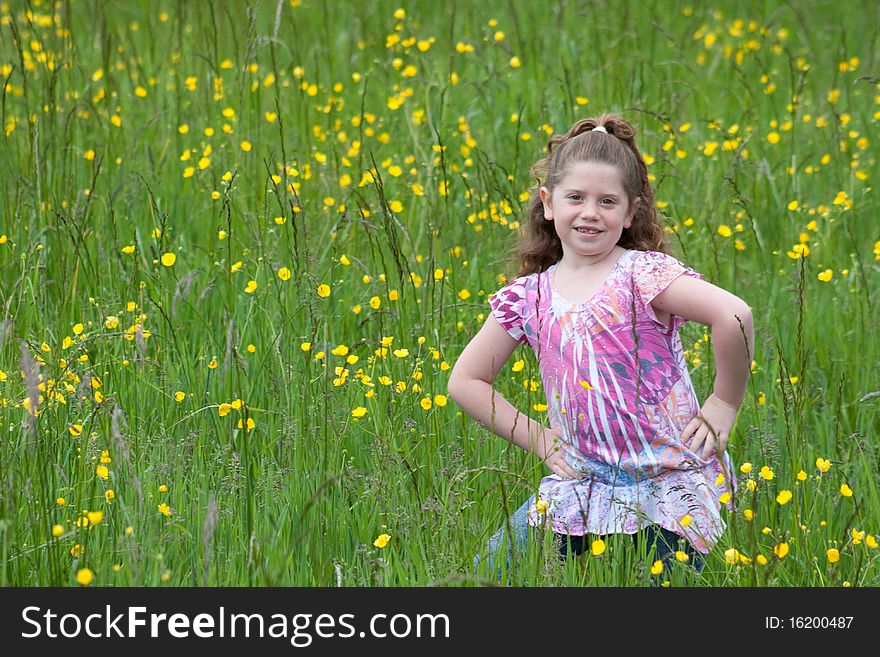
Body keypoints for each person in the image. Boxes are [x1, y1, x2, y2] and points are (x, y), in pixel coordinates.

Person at [447, 113, 754, 582]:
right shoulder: (528, 297)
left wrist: (723, 404)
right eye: (576, 198)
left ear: (631, 212)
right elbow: (466, 381)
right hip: (581, 483)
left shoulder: (642, 275)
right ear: (548, 204)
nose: (590, 212)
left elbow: (734, 316)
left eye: (607, 201)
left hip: (667, 486)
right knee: (490, 575)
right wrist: (540, 440)